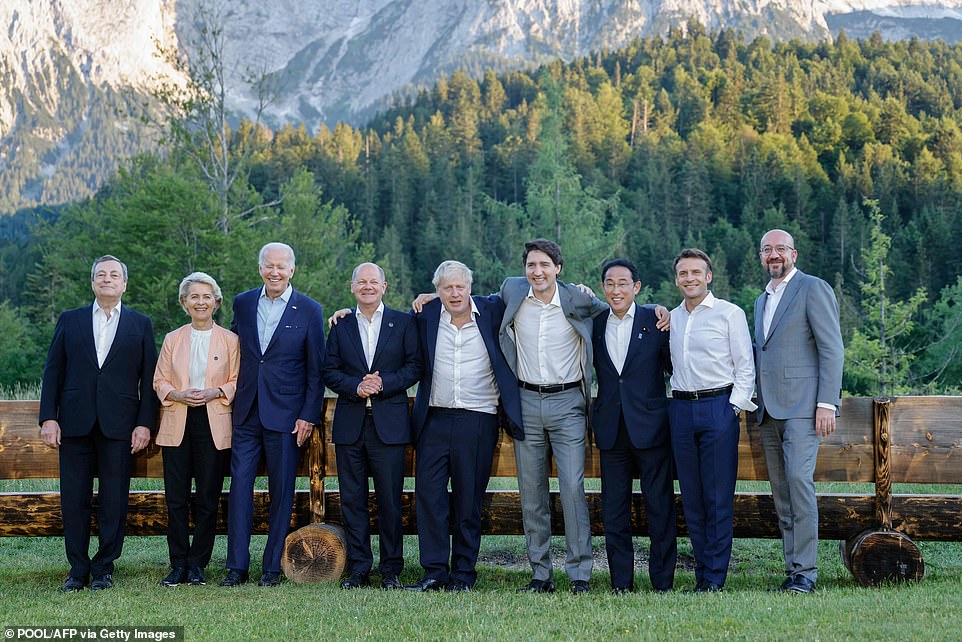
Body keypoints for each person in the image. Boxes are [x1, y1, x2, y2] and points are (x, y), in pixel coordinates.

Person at [38, 255, 158, 592]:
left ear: (124, 284)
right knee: (73, 499)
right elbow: (53, 371)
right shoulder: (70, 320)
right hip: (73, 424)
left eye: (114, 274)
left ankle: (104, 567)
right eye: (101, 275)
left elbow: (148, 379)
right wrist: (49, 417)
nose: (107, 279)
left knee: (114, 499)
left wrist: (144, 424)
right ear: (93, 283)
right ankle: (77, 569)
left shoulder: (140, 323)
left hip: (120, 426)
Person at [405, 260, 523, 593]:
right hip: (434, 418)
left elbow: (527, 285)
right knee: (429, 497)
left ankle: (463, 574)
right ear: (437, 290)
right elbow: (390, 327)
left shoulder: (492, 310)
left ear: (470, 287)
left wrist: (580, 291)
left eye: (460, 287)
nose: (455, 293)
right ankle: (433, 572)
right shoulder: (426, 315)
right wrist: (344, 314)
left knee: (469, 500)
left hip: (478, 418)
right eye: (446, 288)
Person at [221, 242, 325, 588]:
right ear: (260, 268)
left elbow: (316, 370)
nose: (274, 271)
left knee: (282, 493)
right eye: (268, 265)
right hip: (246, 412)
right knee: (240, 489)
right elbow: (234, 350)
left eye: (281, 266)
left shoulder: (309, 310)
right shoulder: (243, 302)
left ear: (292, 269)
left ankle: (271, 567)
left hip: (287, 416)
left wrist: (308, 415)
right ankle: (236, 566)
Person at [753, 230, 843, 594]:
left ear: (794, 253)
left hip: (804, 410)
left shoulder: (813, 287)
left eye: (780, 249)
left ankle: (806, 571)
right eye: (767, 250)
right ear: (761, 256)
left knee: (799, 484)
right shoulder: (762, 299)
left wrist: (827, 403)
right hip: (768, 411)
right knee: (782, 491)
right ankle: (793, 569)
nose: (774, 255)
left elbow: (832, 349)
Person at [323, 263, 420, 590]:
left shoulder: (403, 323)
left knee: (391, 500)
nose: (367, 287)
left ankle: (391, 569)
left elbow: (414, 367)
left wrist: (383, 383)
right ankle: (359, 568)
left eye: (373, 282)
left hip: (389, 426)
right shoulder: (340, 324)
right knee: (352, 500)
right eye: (361, 282)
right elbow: (329, 371)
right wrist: (355, 386)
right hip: (351, 425)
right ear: (353, 288)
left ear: (384, 286)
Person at [668, 248, 756, 592]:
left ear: (709, 277)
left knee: (717, 499)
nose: (689, 278)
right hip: (680, 410)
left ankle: (715, 579)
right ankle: (701, 573)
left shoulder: (729, 314)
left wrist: (731, 408)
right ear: (677, 279)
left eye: (695, 272)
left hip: (718, 407)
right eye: (683, 274)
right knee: (691, 498)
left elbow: (745, 366)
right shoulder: (670, 318)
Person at [591, 258, 676, 593]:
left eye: (623, 283)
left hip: (652, 428)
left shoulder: (655, 321)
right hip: (612, 430)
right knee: (614, 512)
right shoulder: (595, 323)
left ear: (636, 287)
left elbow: (675, 367)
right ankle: (621, 583)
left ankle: (662, 583)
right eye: (610, 283)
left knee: (660, 509)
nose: (616, 290)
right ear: (603, 288)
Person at [153, 272, 240, 587]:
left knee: (208, 497)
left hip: (213, 423)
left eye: (207, 297)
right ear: (184, 303)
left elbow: (236, 380)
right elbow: (159, 380)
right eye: (194, 297)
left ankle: (197, 564)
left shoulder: (230, 340)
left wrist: (215, 392)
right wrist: (176, 394)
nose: (200, 302)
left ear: (216, 302)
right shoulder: (172, 339)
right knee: (175, 498)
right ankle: (177, 563)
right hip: (178, 420)